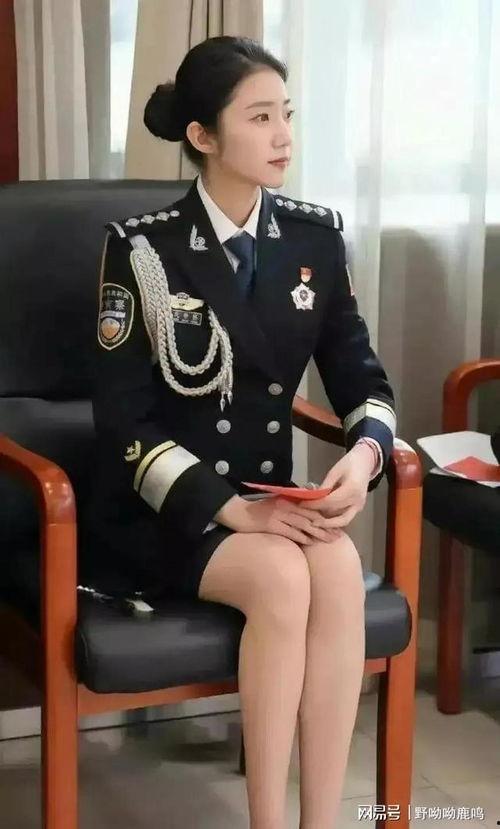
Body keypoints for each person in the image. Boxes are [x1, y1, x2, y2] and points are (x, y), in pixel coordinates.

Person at [86, 35, 396, 829]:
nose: (284, 136)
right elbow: (123, 422)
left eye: (286, 114)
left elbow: (362, 378)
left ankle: (319, 818)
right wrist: (233, 510)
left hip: (268, 495)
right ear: (203, 135)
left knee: (338, 566)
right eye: (259, 118)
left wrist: (364, 457)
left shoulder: (313, 238)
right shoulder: (143, 248)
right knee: (285, 578)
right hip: (170, 511)